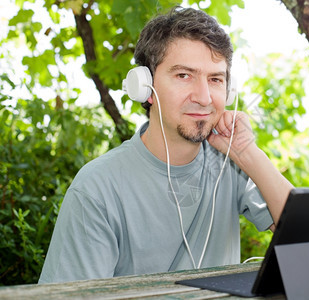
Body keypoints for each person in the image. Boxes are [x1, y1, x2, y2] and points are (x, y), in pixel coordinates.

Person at [38, 6, 293, 284]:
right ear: (144, 87)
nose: (204, 97)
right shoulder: (97, 188)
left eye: (215, 79)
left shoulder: (230, 166)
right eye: (184, 75)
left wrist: (247, 154)